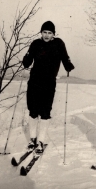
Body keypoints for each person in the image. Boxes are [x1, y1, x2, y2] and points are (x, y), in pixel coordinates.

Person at [22, 21, 74, 154]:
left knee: (45, 111)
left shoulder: (58, 44)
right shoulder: (36, 44)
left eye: (49, 33)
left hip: (49, 82)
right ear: (41, 33)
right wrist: (26, 61)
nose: (46, 35)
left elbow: (64, 57)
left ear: (53, 34)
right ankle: (32, 139)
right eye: (44, 32)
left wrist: (68, 65)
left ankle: (40, 141)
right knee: (33, 110)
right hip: (34, 81)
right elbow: (28, 58)